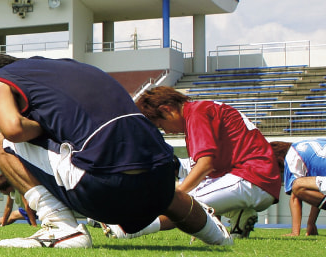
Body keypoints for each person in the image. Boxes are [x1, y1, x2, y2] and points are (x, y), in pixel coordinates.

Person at [0, 52, 233, 248]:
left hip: (104, 191)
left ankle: (61, 228)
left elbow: (13, 129)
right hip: (160, 179)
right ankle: (218, 236)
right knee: (156, 184)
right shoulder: (70, 67)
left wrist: (42, 126)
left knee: (3, 143)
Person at [111, 87, 281, 240]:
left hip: (253, 177)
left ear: (166, 109)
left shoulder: (196, 113)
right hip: (253, 177)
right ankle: (239, 214)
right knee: (183, 193)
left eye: (161, 125)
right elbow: (207, 167)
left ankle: (132, 229)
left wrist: (177, 196)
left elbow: (205, 165)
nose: (167, 131)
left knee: (183, 202)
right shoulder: (199, 110)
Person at [270, 140, 325, 237]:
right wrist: (311, 223)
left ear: (279, 159)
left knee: (297, 185)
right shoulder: (304, 146)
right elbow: (317, 195)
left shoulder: (291, 157)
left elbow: (295, 195)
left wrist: (295, 232)